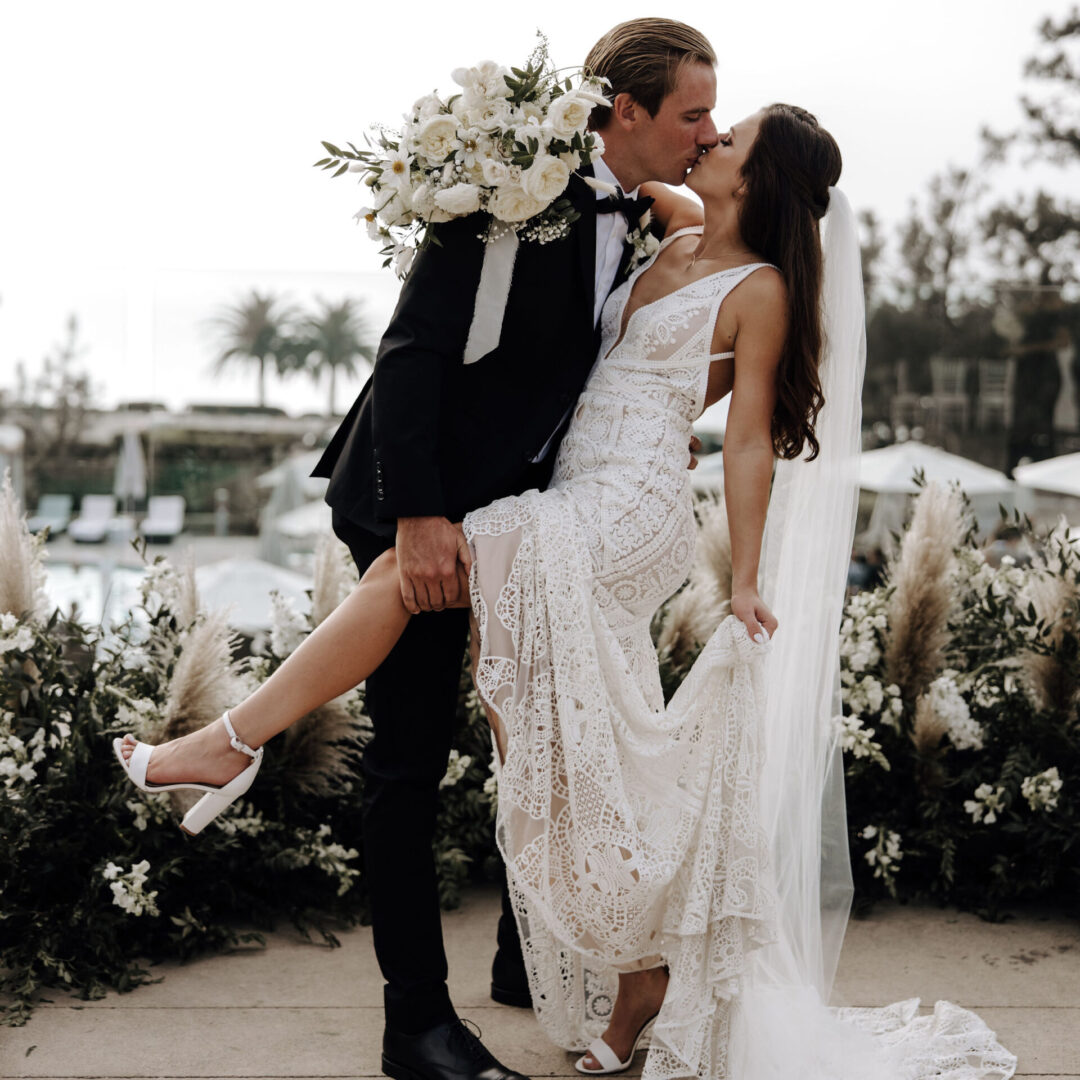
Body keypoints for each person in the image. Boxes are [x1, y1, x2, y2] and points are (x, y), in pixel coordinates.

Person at [116, 101, 1016, 1080]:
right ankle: (641, 974)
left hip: (625, 512)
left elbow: (749, 437)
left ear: (758, 184)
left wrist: (746, 578)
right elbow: (597, 168)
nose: (711, 140)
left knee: (409, 578)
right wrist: (516, 129)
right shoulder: (670, 223)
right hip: (571, 491)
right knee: (562, 763)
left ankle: (228, 744)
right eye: (707, 125)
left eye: (732, 139)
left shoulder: (760, 289)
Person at [119, 19, 719, 1080]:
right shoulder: (509, 183)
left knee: (536, 729)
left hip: (519, 518)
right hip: (417, 502)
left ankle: (519, 961)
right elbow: (411, 352)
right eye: (691, 115)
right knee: (408, 759)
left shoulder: (643, 217)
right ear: (625, 111)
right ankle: (415, 1026)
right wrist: (420, 515)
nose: (705, 134)